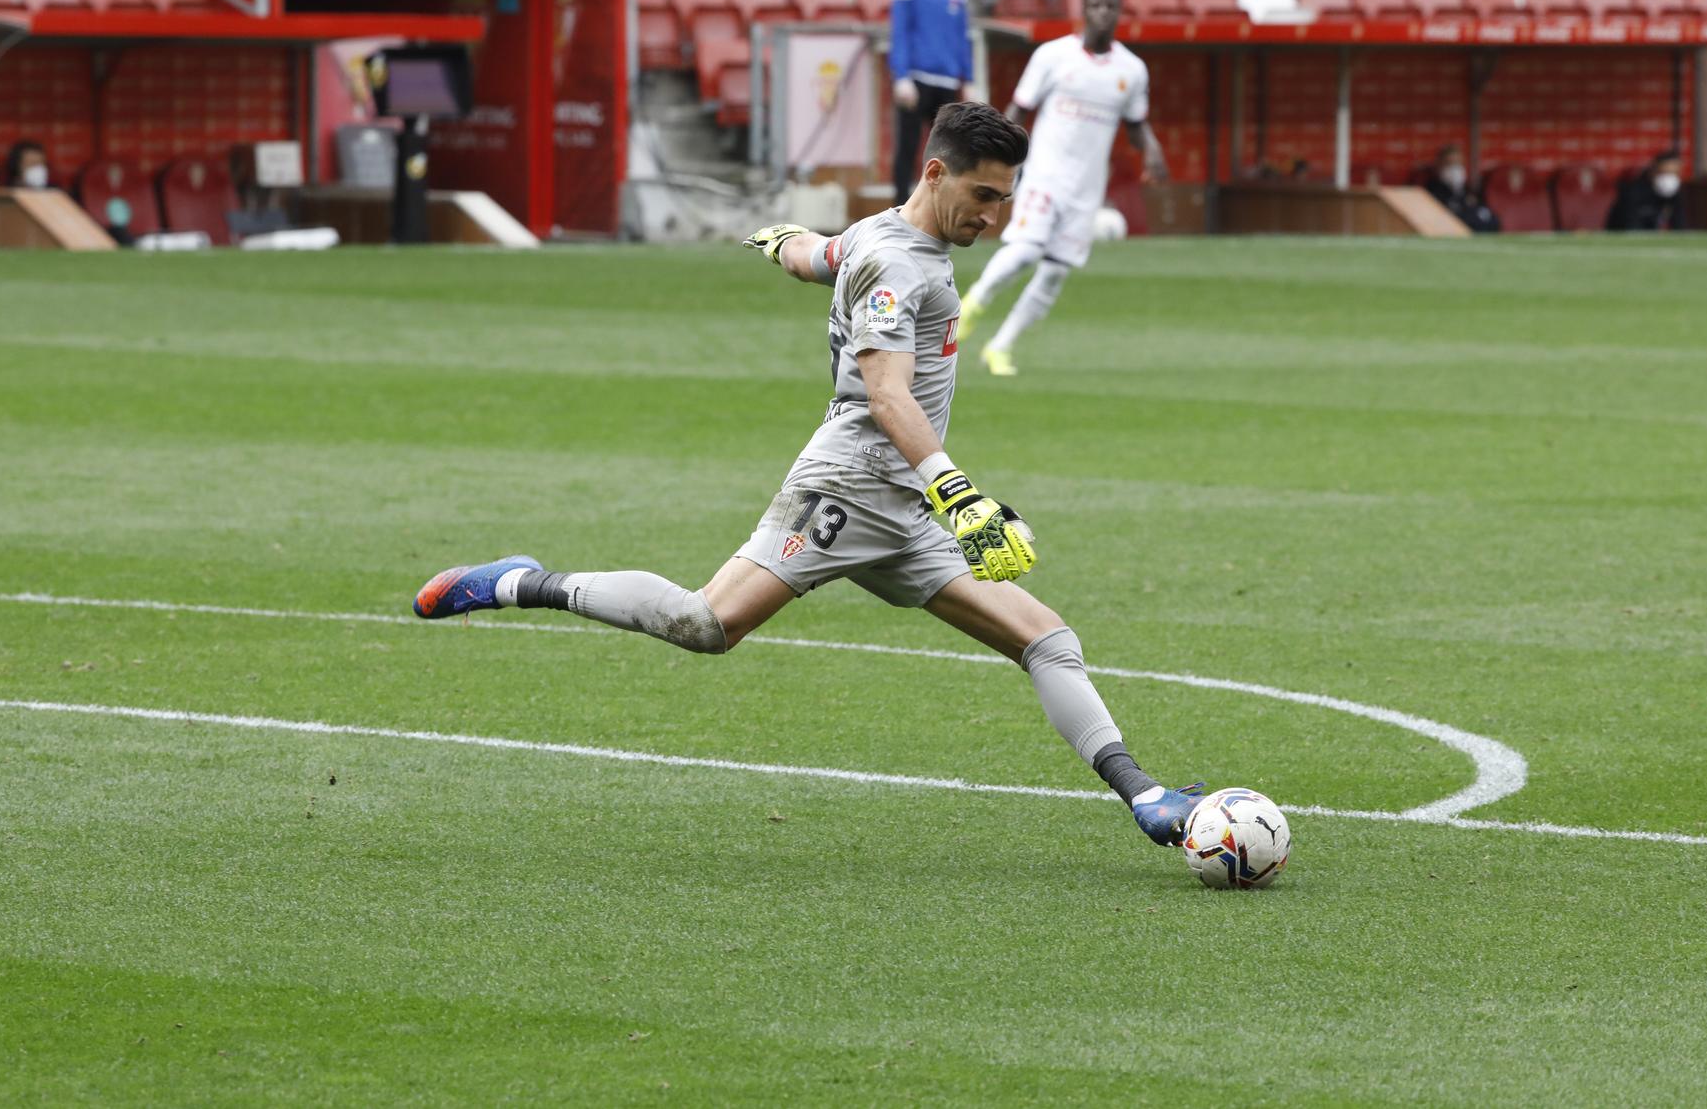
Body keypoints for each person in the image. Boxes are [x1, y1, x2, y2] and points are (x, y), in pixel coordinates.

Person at [412, 102, 1207, 858]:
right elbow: (887, 390)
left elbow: (817, 256)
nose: (995, 218)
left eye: (1006, 199)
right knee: (706, 624)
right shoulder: (902, 263)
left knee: (1046, 638)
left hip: (901, 506)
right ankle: (526, 582)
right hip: (846, 488)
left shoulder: (876, 235)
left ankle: (1146, 796)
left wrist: (783, 241)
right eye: (983, 195)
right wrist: (959, 494)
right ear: (935, 173)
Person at [958, 0, 1165, 378]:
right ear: (1083, 10)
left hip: (1086, 190)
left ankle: (1000, 347)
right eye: (1096, 5)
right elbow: (1018, 110)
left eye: (1110, 6)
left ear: (1118, 12)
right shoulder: (1052, 57)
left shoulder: (1132, 71)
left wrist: (1153, 151)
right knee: (1026, 248)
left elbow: (1136, 124)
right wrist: (999, 158)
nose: (1103, 13)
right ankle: (974, 303)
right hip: (1045, 175)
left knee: (1054, 272)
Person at [889, 0, 973, 201]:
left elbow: (962, 34)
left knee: (945, 151)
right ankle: (899, 210)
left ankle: (939, 209)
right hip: (917, 78)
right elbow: (899, 31)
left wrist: (968, 78)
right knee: (908, 147)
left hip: (947, 80)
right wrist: (901, 76)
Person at [1424, 146, 1500, 234]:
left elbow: (1491, 218)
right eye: (1449, 163)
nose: (1454, 169)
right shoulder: (1431, 191)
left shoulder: (1469, 190)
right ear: (1439, 166)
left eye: (1457, 164)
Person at [1604, 150, 1686, 231]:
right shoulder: (1633, 191)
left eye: (1674, 173)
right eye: (1665, 172)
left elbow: (1679, 226)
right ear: (1653, 171)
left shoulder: (1674, 194)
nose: (1669, 178)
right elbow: (1630, 226)